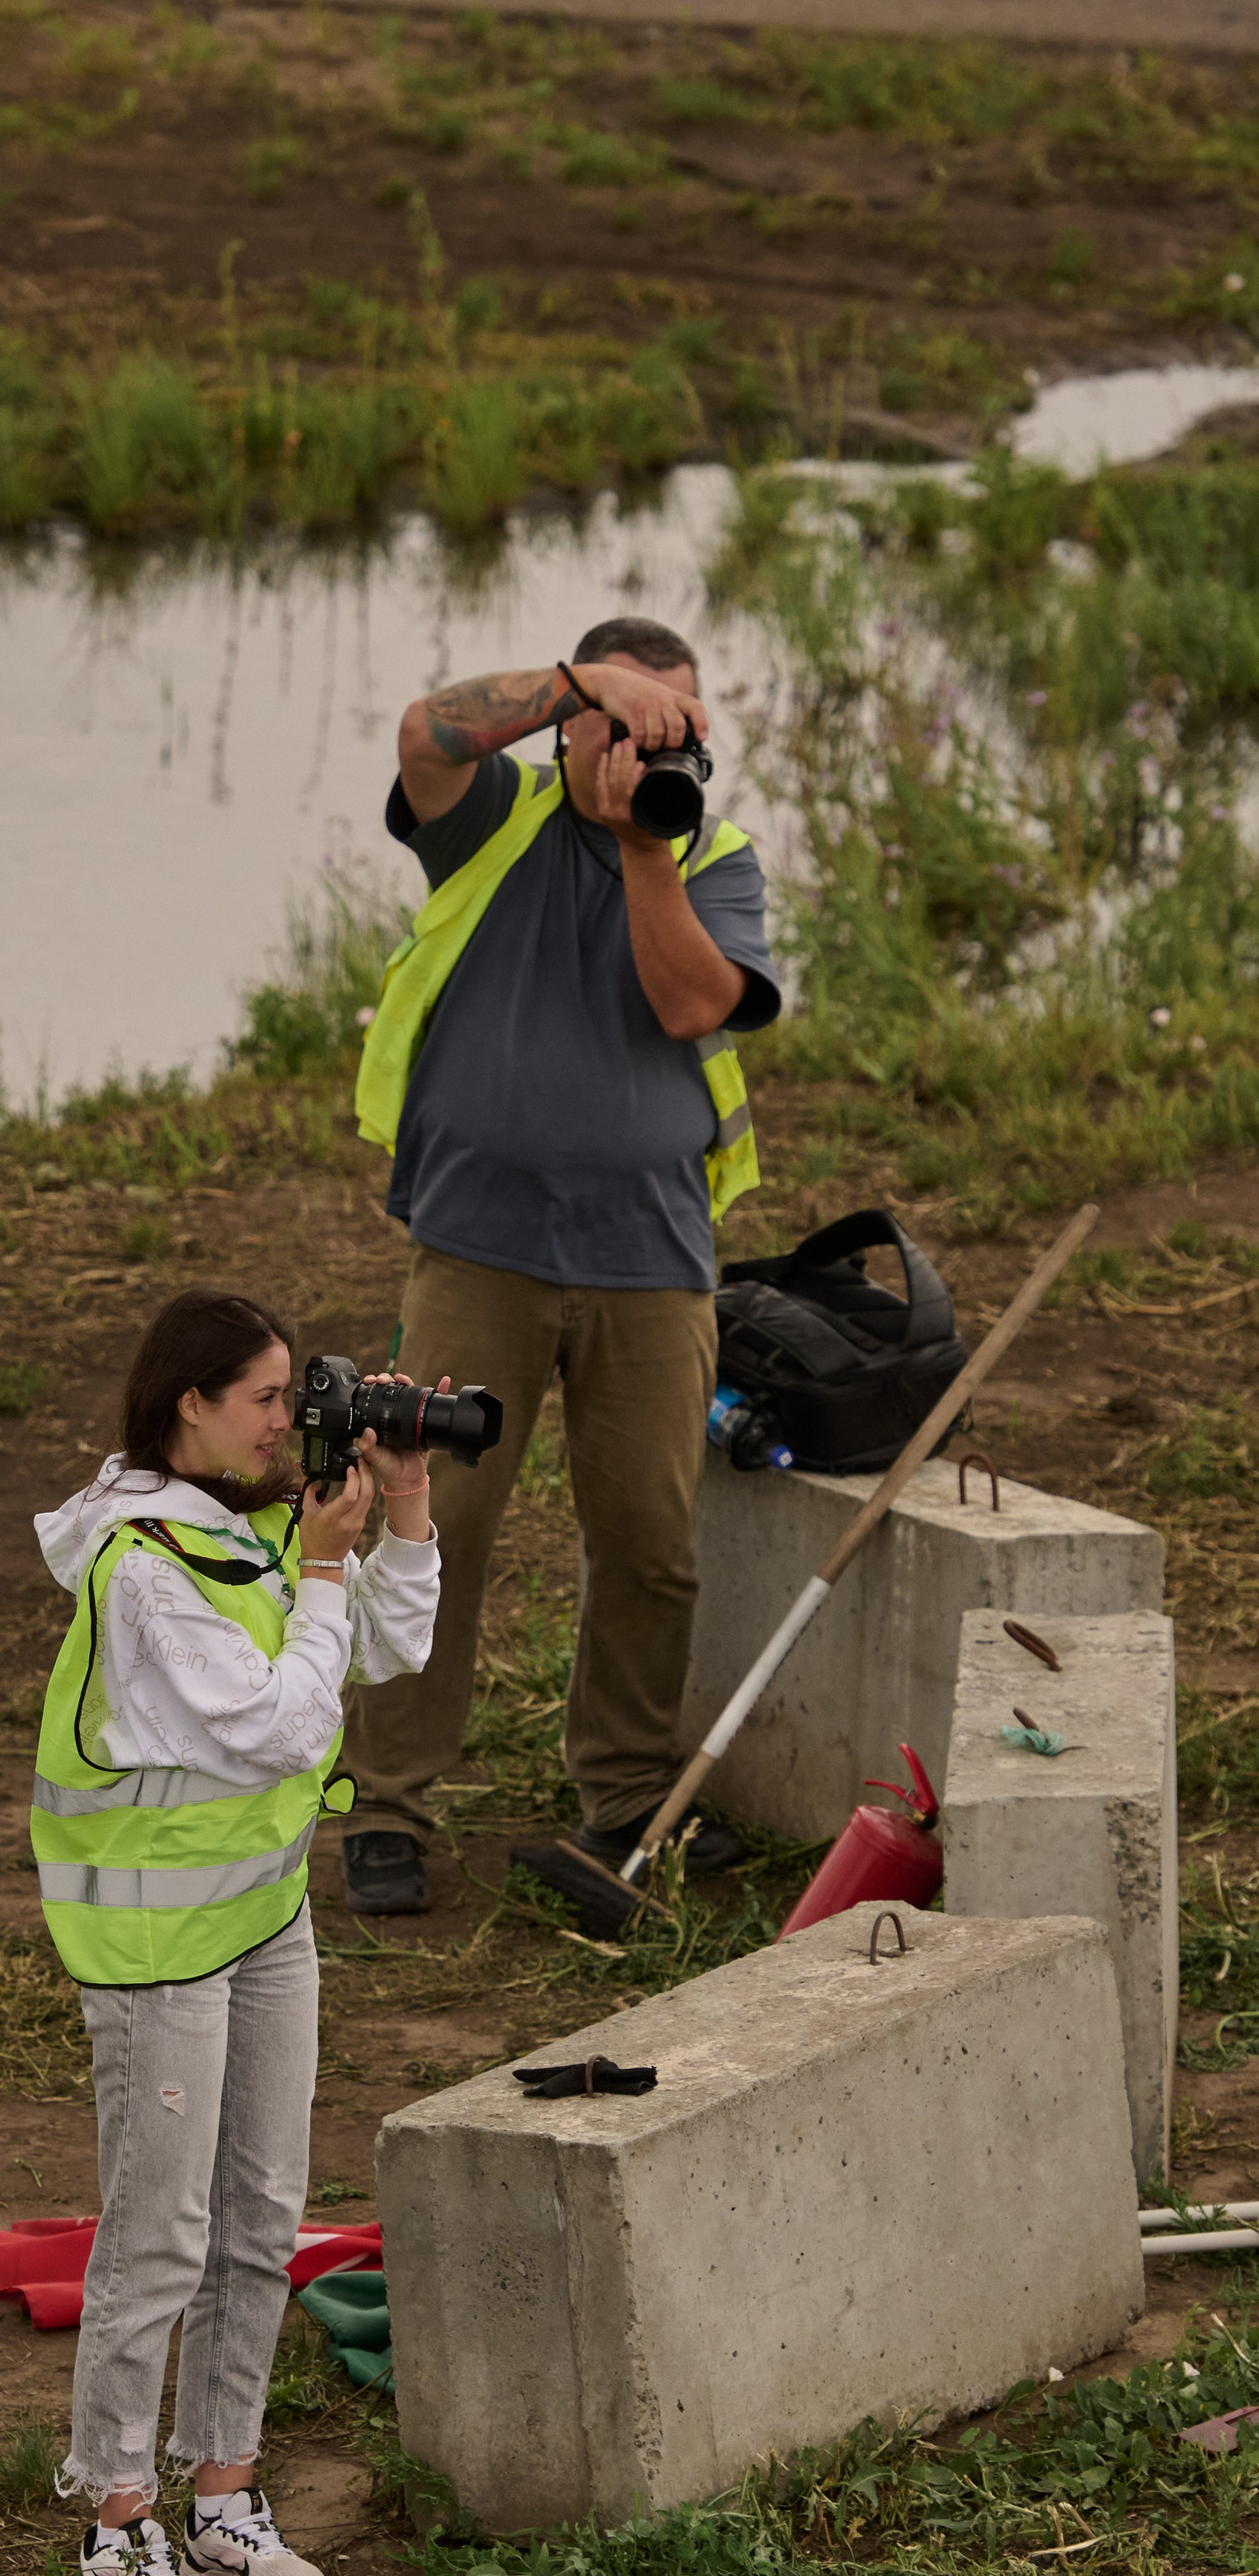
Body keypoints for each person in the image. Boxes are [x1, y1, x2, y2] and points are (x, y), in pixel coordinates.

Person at [338, 616, 782, 1924]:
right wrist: (585, 683)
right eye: (633, 722)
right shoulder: (494, 819)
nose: (651, 749)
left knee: (649, 1539)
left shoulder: (715, 858)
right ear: (573, 719)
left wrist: (648, 845)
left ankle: (628, 1795)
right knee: (432, 1526)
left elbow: (692, 1005)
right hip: (480, 1249)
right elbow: (423, 734)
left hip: (652, 1258)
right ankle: (389, 1805)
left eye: (680, 730)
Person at [30, 1288, 440, 2576]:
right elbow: (275, 1727)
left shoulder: (255, 1522)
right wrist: (320, 1569)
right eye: (264, 1397)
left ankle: (225, 2500)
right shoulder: (146, 1565)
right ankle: (114, 2522)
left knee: (261, 2217)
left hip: (261, 1917)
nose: (286, 1419)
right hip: (155, 1941)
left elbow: (392, 1646)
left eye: (290, 1392)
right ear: (188, 1405)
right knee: (160, 2234)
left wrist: (405, 1505)